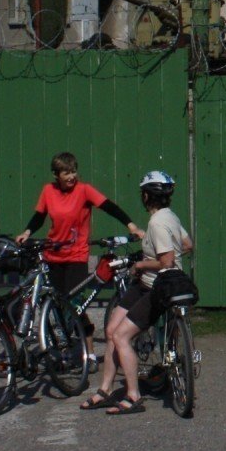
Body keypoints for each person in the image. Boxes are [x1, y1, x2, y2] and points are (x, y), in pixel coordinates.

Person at [87, 169, 191, 415]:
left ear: (146, 196)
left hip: (156, 287)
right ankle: (105, 389)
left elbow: (165, 261)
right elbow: (187, 245)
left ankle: (133, 396)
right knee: (111, 329)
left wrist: (143, 263)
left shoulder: (157, 223)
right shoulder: (170, 216)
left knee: (121, 336)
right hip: (144, 284)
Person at [15, 150, 144, 294]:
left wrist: (132, 227)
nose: (71, 177)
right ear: (56, 175)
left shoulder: (84, 190)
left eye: (73, 172)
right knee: (58, 303)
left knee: (74, 304)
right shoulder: (48, 190)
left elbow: (110, 207)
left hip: (76, 256)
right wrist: (26, 232)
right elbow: (39, 217)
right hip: (53, 254)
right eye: (66, 173)